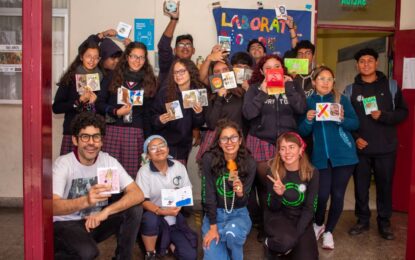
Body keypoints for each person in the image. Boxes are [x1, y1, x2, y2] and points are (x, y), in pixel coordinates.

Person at [53, 112, 144, 260]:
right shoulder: (64, 164)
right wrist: (86, 201)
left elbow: (137, 193)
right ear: (75, 140)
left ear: (102, 141)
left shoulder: (108, 161)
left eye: (96, 137)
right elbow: (52, 206)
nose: (91, 142)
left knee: (134, 209)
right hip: (66, 224)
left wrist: (106, 211)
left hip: (95, 221)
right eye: (85, 137)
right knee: (88, 253)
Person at [345, 48, 408, 240]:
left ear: (376, 63)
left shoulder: (391, 86)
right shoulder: (351, 90)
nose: (365, 64)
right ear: (357, 65)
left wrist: (385, 116)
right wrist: (356, 138)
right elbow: (346, 119)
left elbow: (403, 112)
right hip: (361, 148)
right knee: (361, 187)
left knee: (384, 186)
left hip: (386, 148)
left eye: (369, 61)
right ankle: (362, 220)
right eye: (362, 61)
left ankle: (384, 221)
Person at [243, 54, 306, 241]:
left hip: (286, 144)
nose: (272, 71)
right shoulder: (254, 89)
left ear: (282, 69)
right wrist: (263, 92)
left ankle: (283, 223)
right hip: (261, 141)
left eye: (276, 66)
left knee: (285, 185)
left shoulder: (293, 86)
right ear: (262, 71)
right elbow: (248, 114)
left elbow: (301, 109)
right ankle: (266, 225)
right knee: (267, 186)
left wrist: (289, 88)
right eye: (267, 67)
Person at [298, 66, 359, 249]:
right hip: (320, 157)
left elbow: (355, 123)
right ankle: (318, 224)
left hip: (345, 156)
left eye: (329, 79)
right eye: (321, 79)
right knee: (321, 195)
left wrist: (341, 118)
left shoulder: (342, 99)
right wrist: (308, 120)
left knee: (338, 195)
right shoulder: (308, 102)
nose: (325, 82)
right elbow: (301, 131)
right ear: (314, 81)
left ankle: (329, 231)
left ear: (333, 82)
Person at [96, 42, 157, 178]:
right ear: (127, 57)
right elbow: (99, 104)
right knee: (109, 177)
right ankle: (111, 200)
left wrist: (148, 142)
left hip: (135, 133)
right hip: (112, 131)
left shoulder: (149, 81)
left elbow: (148, 115)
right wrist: (115, 112)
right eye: (134, 56)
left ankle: (130, 200)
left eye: (141, 57)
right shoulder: (112, 77)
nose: (137, 61)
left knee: (132, 177)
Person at [136, 135, 198, 260]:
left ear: (168, 149)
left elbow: (187, 191)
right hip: (154, 215)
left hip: (174, 216)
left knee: (190, 256)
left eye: (161, 145)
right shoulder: (144, 171)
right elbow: (142, 200)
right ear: (148, 155)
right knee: (150, 219)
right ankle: (150, 253)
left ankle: (169, 242)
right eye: (153, 148)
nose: (158, 149)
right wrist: (161, 211)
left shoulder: (178, 166)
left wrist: (178, 205)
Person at [201, 120, 256, 260]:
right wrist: (212, 226)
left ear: (240, 140)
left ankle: (235, 253)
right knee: (213, 256)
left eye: (233, 137)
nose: (229, 142)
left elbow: (244, 201)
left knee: (232, 232)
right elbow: (209, 194)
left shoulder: (249, 162)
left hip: (238, 214)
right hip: (215, 216)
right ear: (219, 143)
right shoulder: (209, 159)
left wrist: (240, 192)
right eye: (224, 138)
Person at [264, 132, 319, 260]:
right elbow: (271, 207)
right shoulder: (273, 172)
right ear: (279, 153)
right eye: (282, 148)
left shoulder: (312, 172)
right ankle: (269, 244)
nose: (287, 152)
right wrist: (278, 195)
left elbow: (310, 209)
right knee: (285, 244)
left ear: (301, 149)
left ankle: (287, 245)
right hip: (278, 217)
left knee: (308, 257)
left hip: (301, 218)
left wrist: (296, 236)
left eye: (291, 147)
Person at [53, 40, 103, 155]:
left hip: (94, 133)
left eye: (96, 57)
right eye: (88, 56)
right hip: (73, 132)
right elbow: (56, 108)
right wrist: (78, 101)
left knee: (91, 171)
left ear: (99, 59)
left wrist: (96, 102)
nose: (92, 60)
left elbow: (104, 107)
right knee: (70, 170)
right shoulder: (70, 78)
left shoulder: (103, 78)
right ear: (81, 57)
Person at [151, 59, 205, 165]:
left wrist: (198, 113)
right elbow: (153, 117)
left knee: (178, 178)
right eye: (175, 72)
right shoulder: (165, 92)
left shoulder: (198, 92)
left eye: (182, 71)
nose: (178, 75)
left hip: (184, 146)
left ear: (190, 71)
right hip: (165, 145)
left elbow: (199, 124)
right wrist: (160, 120)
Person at [196, 59, 247, 162]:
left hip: (239, 145)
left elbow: (248, 118)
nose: (222, 74)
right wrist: (219, 98)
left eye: (225, 70)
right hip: (217, 146)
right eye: (217, 72)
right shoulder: (209, 95)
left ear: (230, 71)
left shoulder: (241, 92)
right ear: (212, 76)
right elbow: (211, 124)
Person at [157, 1, 195, 86]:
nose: (185, 47)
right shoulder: (168, 63)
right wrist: (174, 19)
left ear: (193, 50)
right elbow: (163, 46)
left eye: (188, 45)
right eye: (181, 45)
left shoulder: (194, 68)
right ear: (174, 50)